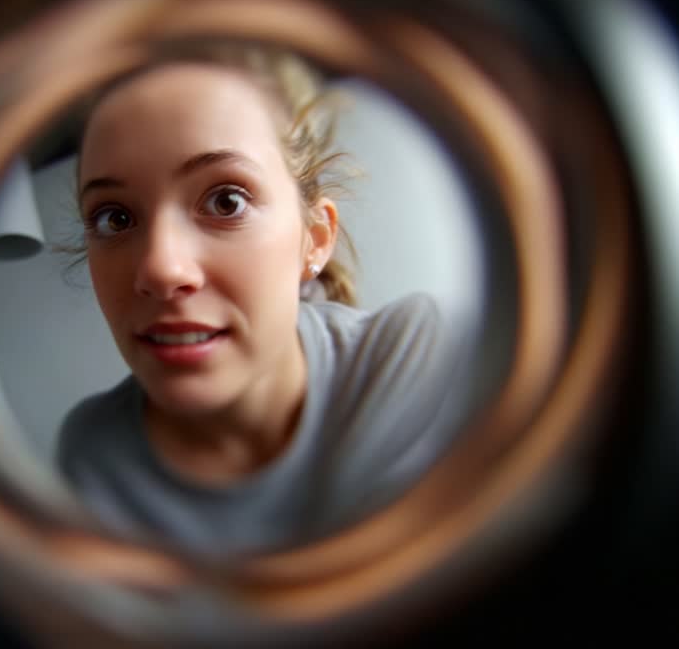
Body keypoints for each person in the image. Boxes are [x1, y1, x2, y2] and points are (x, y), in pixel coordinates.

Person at [56, 42, 465, 558]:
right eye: (113, 218)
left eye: (226, 200)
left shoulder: (414, 359)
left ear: (314, 238)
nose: (161, 268)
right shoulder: (92, 453)